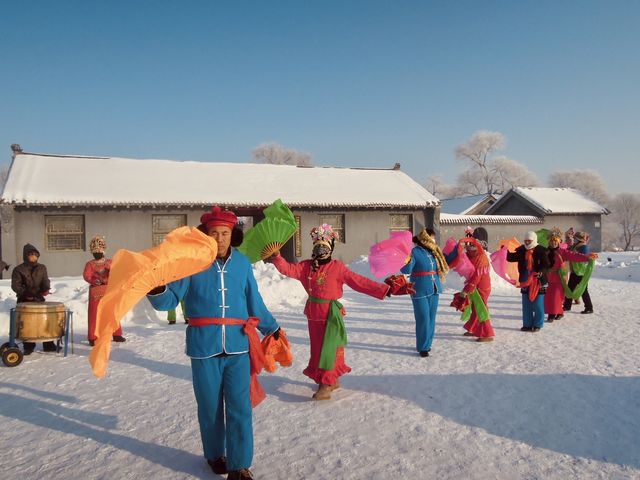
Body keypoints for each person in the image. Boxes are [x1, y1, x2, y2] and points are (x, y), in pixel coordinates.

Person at [147, 206, 280, 480]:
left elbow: (254, 301)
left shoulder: (243, 264)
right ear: (205, 236)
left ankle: (240, 465)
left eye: (225, 233)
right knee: (209, 408)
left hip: (239, 346)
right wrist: (156, 288)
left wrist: (272, 327)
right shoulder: (192, 263)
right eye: (214, 233)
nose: (219, 238)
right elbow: (170, 299)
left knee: (240, 407)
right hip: (203, 348)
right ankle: (214, 454)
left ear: (233, 235)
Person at [268, 223, 393, 400]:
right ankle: (331, 380)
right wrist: (277, 256)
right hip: (314, 315)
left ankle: (326, 383)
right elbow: (288, 269)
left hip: (331, 315)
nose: (320, 249)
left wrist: (383, 289)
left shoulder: (337, 267)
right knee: (318, 349)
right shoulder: (306, 267)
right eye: (317, 246)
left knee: (330, 349)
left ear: (331, 248)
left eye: (324, 246)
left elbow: (358, 281)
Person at [401, 227, 449, 356]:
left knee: (431, 318)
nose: (433, 239)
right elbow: (405, 270)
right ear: (424, 239)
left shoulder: (434, 251)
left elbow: (446, 261)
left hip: (434, 287)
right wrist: (408, 260)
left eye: (434, 237)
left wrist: (459, 250)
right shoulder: (414, 252)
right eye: (431, 237)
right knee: (423, 318)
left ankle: (428, 344)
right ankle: (423, 347)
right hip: (419, 289)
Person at [449, 228, 495, 342]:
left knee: (481, 308)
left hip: (481, 287)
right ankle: (474, 328)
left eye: (471, 244)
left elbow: (476, 276)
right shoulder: (471, 255)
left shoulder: (481, 257)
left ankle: (487, 334)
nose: (468, 247)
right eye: (467, 244)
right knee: (475, 307)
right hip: (474, 285)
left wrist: (467, 289)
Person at [11, 243, 56, 354]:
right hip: (24, 299)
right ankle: (28, 346)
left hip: (38, 298)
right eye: (31, 254)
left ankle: (48, 344)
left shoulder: (42, 268)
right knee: (28, 324)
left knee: (44, 321)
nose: (33, 256)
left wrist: (46, 288)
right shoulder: (18, 269)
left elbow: (45, 280)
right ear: (25, 256)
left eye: (35, 254)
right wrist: (26, 293)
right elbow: (15, 285)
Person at [544, 228, 594, 323]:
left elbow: (574, 256)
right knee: (551, 296)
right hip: (549, 278)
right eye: (552, 241)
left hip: (560, 278)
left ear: (558, 242)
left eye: (555, 241)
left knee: (556, 296)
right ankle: (559, 312)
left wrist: (587, 257)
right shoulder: (545, 252)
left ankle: (551, 314)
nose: (553, 243)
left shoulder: (562, 252)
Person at [83, 236, 126, 346]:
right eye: (95, 252)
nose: (97, 253)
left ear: (103, 251)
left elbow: (117, 273)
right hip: (96, 291)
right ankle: (93, 337)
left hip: (109, 290)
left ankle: (116, 334)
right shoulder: (90, 264)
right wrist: (95, 280)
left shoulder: (110, 262)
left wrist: (110, 272)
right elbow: (87, 276)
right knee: (94, 314)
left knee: (112, 312)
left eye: (99, 251)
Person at [506, 231, 550, 332]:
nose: (527, 242)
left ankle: (538, 324)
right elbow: (511, 258)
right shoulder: (521, 250)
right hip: (525, 280)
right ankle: (527, 324)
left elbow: (546, 264)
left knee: (538, 304)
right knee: (526, 304)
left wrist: (540, 272)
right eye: (525, 240)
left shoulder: (541, 251)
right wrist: (505, 251)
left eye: (529, 241)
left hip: (538, 281)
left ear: (534, 240)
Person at [563, 231, 595, 314]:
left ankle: (589, 308)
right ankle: (567, 306)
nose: (574, 240)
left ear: (579, 239)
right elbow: (566, 251)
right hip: (574, 271)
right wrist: (568, 239)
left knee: (583, 290)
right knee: (569, 289)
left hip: (581, 272)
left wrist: (574, 254)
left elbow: (583, 258)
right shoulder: (575, 246)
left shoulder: (584, 247)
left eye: (575, 238)